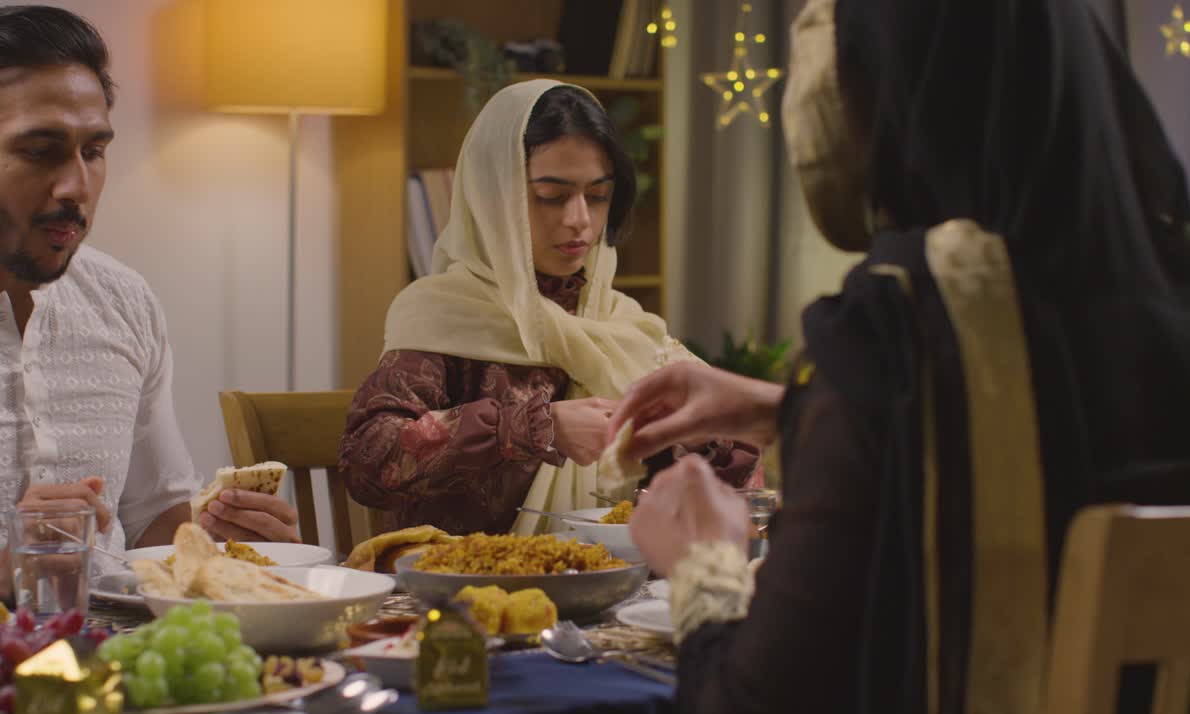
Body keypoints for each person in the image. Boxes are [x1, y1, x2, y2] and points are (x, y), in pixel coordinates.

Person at [607, 0, 1190, 714]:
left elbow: (749, 706)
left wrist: (704, 563)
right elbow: (1070, 442)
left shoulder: (906, 325)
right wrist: (789, 408)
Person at [339, 81, 757, 536]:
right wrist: (533, 428)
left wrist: (696, 437)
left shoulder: (623, 326)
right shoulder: (443, 314)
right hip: (465, 595)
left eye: (597, 195)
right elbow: (368, 461)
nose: (580, 219)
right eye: (551, 196)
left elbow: (738, 480)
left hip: (618, 588)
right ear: (494, 197)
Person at [0, 6, 301, 578]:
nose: (77, 187)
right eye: (41, 151)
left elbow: (150, 518)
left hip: (115, 657)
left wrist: (217, 535)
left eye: (94, 151)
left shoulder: (123, 302)